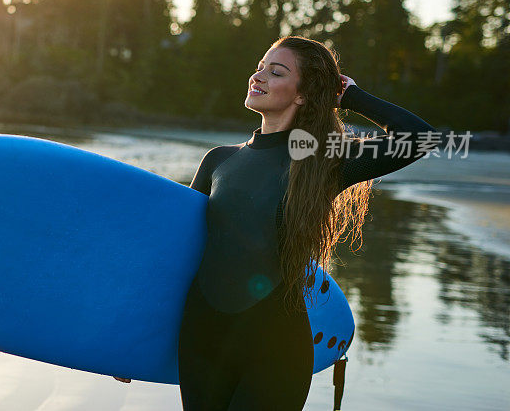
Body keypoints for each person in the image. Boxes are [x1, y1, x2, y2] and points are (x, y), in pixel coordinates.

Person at [116, 35, 440, 409]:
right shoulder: (218, 161)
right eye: (260, 67)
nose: (259, 76)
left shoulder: (323, 161)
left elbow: (420, 138)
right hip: (203, 343)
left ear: (302, 95)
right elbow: (182, 254)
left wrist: (350, 95)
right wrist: (132, 343)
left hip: (275, 350)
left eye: (276, 71)